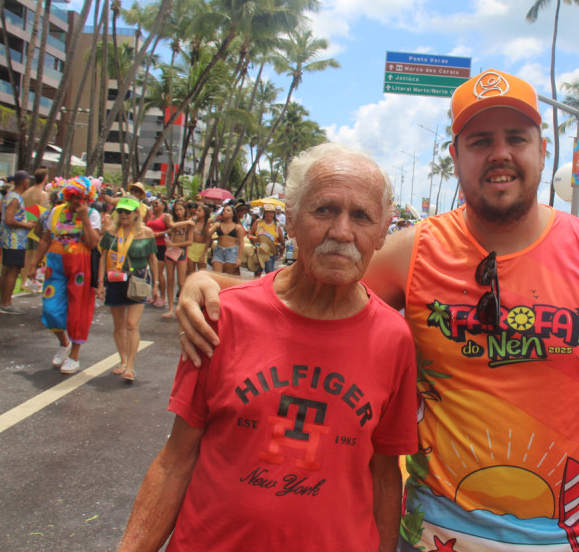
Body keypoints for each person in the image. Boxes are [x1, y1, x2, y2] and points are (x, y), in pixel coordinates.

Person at [177, 68, 579, 550]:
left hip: (568, 536)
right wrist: (210, 281)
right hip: (433, 535)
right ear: (456, 157)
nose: (500, 153)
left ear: (542, 150)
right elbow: (306, 293)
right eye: (480, 141)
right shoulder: (416, 250)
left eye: (516, 138)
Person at [119, 143, 417, 550]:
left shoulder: (394, 339)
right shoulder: (223, 317)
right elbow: (175, 461)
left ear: (382, 233)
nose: (342, 232)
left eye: (362, 216)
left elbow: (385, 477)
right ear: (290, 219)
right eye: (324, 210)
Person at [34, 177, 101, 375]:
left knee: (78, 311)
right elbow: (46, 239)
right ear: (68, 196)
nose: (79, 201)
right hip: (55, 264)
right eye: (75, 197)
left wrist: (85, 219)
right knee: (50, 309)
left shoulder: (92, 214)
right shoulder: (56, 211)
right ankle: (64, 343)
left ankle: (74, 356)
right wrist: (33, 263)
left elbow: (93, 243)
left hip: (81, 265)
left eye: (83, 198)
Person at [97, 197, 158, 382]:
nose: (123, 215)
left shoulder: (147, 233)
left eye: (127, 212)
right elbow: (103, 257)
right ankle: (122, 360)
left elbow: (153, 259)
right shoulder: (111, 232)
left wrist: (156, 284)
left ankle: (130, 366)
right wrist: (100, 283)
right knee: (119, 324)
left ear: (136, 213)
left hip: (138, 279)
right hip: (115, 278)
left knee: (132, 324)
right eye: (120, 211)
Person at [0, 170, 32, 314]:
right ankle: (6, 303)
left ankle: (2, 301)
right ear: (24, 182)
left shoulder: (10, 196)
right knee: (12, 270)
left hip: (9, 238)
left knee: (7, 270)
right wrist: (25, 225)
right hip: (15, 240)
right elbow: (9, 220)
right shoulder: (15, 198)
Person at [162, 200, 194, 319]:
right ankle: (170, 308)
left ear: (185, 210)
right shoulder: (171, 219)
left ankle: (181, 307)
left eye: (181, 209)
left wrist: (174, 244)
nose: (178, 212)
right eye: (176, 210)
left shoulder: (189, 224)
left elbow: (189, 242)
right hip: (170, 251)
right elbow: (170, 226)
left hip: (181, 252)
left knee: (181, 282)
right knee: (170, 281)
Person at [20, 168, 49, 292]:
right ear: (44, 178)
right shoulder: (43, 194)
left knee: (27, 255)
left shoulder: (27, 192)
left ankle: (23, 282)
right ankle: (33, 281)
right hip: (37, 225)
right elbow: (44, 212)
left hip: (26, 223)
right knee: (37, 255)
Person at [145, 198, 170, 307]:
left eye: (157, 203)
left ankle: (163, 297)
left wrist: (159, 234)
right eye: (153, 203)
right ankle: (154, 295)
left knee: (159, 273)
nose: (154, 205)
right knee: (152, 272)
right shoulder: (151, 216)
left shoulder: (166, 217)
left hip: (161, 246)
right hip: (150, 245)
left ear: (163, 205)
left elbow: (171, 230)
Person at [248, 203, 285, 274]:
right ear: (264, 213)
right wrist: (253, 238)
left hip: (270, 254)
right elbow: (249, 234)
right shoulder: (258, 223)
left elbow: (281, 241)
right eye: (267, 212)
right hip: (258, 252)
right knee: (257, 273)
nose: (269, 215)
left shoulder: (276, 225)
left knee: (269, 274)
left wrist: (281, 253)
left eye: (271, 213)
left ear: (274, 214)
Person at [211, 204, 244, 276]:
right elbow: (208, 234)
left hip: (231, 252)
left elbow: (241, 243)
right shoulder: (218, 224)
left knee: (227, 276)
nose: (225, 212)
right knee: (216, 276)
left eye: (228, 210)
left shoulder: (238, 227)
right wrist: (212, 221)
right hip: (218, 251)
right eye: (224, 210)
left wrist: (239, 258)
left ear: (233, 214)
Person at [185, 203, 213, 274]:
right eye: (197, 210)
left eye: (199, 211)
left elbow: (208, 240)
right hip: (191, 248)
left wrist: (204, 254)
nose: (197, 212)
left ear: (205, 213)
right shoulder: (193, 222)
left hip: (202, 249)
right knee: (190, 273)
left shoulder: (208, 224)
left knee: (202, 273)